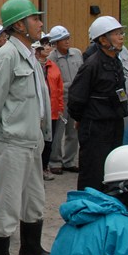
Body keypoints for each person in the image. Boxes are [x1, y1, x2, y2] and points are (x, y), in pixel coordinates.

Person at [0, 0, 50, 255]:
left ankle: (31, 247)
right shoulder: (7, 56)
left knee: (34, 199)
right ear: (19, 25)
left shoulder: (30, 54)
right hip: (11, 142)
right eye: (35, 19)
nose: (40, 23)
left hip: (31, 141)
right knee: (8, 202)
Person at [68, 16, 128, 192]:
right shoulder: (92, 65)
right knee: (93, 173)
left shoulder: (116, 61)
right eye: (116, 34)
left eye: (121, 33)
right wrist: (83, 118)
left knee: (113, 170)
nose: (121, 37)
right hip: (96, 126)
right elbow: (76, 98)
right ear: (103, 39)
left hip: (114, 123)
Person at [47, 25, 82, 175]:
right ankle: (55, 162)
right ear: (56, 43)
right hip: (61, 100)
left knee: (73, 132)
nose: (67, 42)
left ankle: (69, 161)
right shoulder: (52, 59)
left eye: (67, 38)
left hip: (76, 99)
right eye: (62, 40)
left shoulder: (77, 54)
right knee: (58, 132)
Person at [35, 37, 63, 181]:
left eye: (49, 45)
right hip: (36, 111)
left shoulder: (52, 66)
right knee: (36, 141)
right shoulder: (33, 66)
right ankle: (35, 169)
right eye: (44, 45)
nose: (47, 48)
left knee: (48, 142)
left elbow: (59, 88)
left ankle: (44, 167)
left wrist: (59, 107)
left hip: (51, 110)